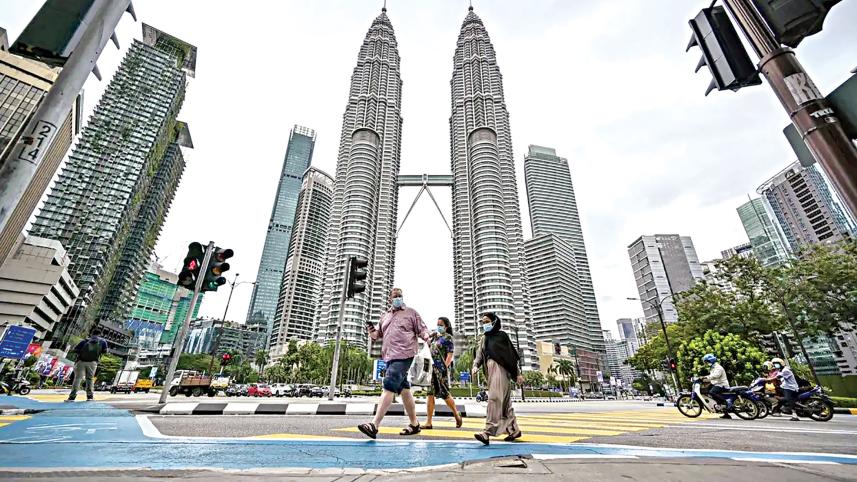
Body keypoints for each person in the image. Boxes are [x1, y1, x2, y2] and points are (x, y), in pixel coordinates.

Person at [357, 287, 432, 439]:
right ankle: (414, 424)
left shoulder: (411, 313)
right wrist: (371, 330)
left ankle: (374, 425)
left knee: (389, 383)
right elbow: (377, 335)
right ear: (389, 299)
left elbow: (422, 330)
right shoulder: (384, 316)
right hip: (389, 356)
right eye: (395, 296)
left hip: (405, 354)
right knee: (404, 389)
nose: (398, 298)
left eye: (400, 295)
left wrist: (429, 338)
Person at [471, 312, 525, 445]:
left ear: (494, 321)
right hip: (490, 371)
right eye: (483, 322)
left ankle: (487, 432)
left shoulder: (502, 336)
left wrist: (517, 373)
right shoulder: (484, 338)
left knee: (494, 398)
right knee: (505, 403)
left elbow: (511, 356)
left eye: (487, 321)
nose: (485, 324)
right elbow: (479, 354)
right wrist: (475, 365)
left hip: (502, 370)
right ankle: (514, 430)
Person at [423, 316, 463, 430]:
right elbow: (427, 344)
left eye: (441, 325)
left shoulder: (448, 338)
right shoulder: (435, 338)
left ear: (446, 326)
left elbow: (450, 355)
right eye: (438, 324)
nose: (438, 326)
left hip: (441, 370)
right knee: (430, 394)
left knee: (445, 394)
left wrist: (444, 367)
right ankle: (429, 422)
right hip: (431, 369)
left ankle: (456, 413)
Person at [66, 333, 108, 402]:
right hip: (93, 362)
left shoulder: (85, 341)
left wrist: (82, 352)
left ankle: (71, 397)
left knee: (78, 379)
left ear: (91, 335)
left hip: (81, 362)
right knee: (90, 379)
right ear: (100, 335)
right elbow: (105, 351)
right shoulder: (103, 341)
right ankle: (90, 397)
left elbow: (75, 350)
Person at [700, 353, 732, 419]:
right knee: (705, 391)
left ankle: (725, 402)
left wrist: (705, 377)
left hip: (721, 385)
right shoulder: (712, 367)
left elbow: (715, 376)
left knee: (712, 392)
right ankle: (725, 413)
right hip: (716, 384)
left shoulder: (718, 367)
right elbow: (712, 378)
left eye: (706, 362)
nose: (705, 363)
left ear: (710, 361)